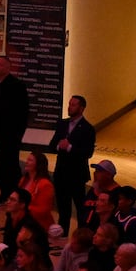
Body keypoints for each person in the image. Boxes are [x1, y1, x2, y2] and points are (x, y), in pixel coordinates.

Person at [0, 55, 30, 201]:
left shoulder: (17, 86)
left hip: (9, 134)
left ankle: (13, 192)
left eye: (0, 64)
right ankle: (4, 191)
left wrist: (18, 134)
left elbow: (23, 112)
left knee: (10, 164)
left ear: (8, 68)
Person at [50, 95, 96, 230]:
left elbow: (88, 152)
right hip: (61, 173)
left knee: (80, 208)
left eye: (73, 105)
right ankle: (62, 234)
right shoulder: (62, 124)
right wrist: (60, 146)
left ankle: (81, 236)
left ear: (82, 108)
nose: (70, 107)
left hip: (77, 174)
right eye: (69, 104)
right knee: (63, 208)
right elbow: (52, 145)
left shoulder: (88, 128)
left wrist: (69, 148)